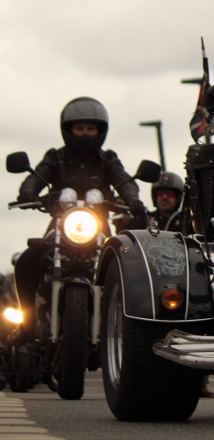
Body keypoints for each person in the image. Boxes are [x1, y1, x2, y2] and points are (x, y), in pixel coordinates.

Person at [13, 97, 147, 343]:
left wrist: (133, 198)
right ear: (68, 130)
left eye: (90, 129)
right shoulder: (56, 157)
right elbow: (38, 176)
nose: (85, 134)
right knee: (26, 261)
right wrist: (28, 193)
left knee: (130, 267)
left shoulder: (108, 159)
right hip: (60, 229)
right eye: (80, 128)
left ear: (100, 131)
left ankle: (130, 331)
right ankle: (28, 325)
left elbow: (124, 180)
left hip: (99, 231)